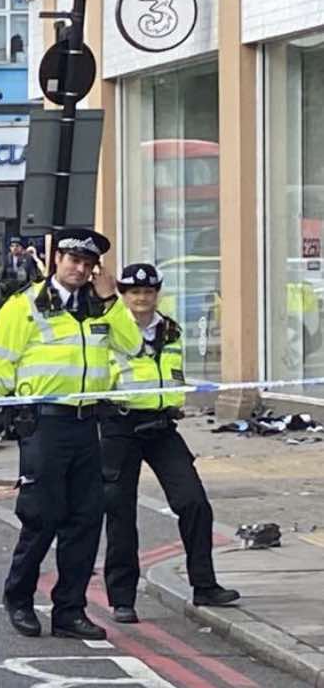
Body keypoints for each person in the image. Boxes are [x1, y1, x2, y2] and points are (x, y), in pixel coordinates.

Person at [0, 227, 143, 641]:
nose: (79, 268)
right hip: (45, 424)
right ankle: (18, 600)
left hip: (87, 423)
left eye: (88, 263)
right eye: (73, 260)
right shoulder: (26, 305)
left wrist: (111, 300)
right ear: (57, 260)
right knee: (41, 517)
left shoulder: (101, 307)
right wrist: (27, 405)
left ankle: (69, 611)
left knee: (87, 518)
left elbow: (132, 347)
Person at [102, 263, 240, 623]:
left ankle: (205, 586)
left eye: (147, 292)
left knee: (194, 502)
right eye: (134, 292)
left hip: (162, 427)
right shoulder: (108, 329)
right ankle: (122, 599)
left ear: (156, 294)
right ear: (123, 294)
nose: (141, 298)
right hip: (121, 424)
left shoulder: (171, 329)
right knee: (120, 513)